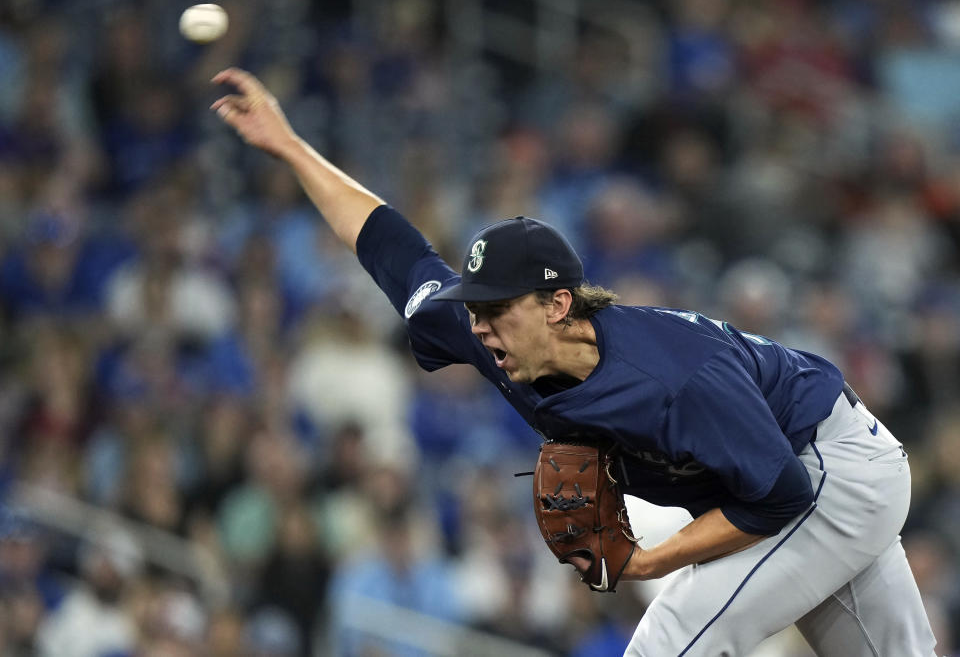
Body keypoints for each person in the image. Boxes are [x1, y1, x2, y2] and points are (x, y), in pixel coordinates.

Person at [210, 68, 938, 656]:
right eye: (474, 306)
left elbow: (780, 495)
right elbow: (390, 247)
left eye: (496, 308)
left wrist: (654, 560)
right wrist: (291, 146)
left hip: (826, 472)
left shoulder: (672, 378)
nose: (478, 323)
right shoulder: (494, 335)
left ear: (557, 305)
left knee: (672, 637)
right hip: (807, 470)